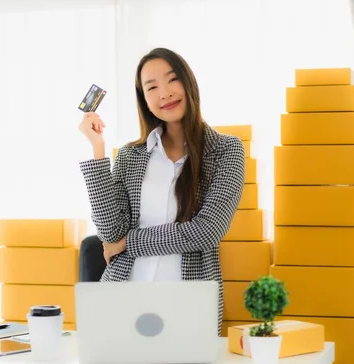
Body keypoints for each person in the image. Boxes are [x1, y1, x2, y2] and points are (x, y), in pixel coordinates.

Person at [77, 47, 245, 335]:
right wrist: (98, 151)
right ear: (144, 99)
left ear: (188, 82)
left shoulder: (227, 150)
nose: (164, 93)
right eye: (152, 87)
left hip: (188, 304)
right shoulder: (131, 155)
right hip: (122, 298)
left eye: (172, 80)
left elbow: (206, 231)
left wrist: (130, 243)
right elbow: (110, 233)